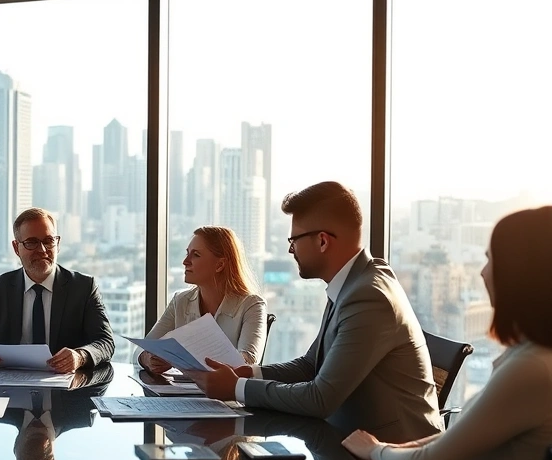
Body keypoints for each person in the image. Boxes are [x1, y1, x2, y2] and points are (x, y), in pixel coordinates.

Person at [343, 206, 552, 460]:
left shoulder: (532, 368)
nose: (483, 274)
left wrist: (376, 449)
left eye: (491, 260)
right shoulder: (531, 356)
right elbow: (465, 436)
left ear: (520, 274)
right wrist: (417, 449)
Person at [187, 181, 443, 443]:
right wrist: (248, 373)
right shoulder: (353, 282)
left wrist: (236, 388)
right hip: (356, 446)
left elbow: (320, 398)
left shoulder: (368, 296)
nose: (290, 249)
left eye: (294, 240)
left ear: (322, 241)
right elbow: (311, 365)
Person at [0, 207, 115, 373]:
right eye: (31, 242)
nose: (42, 250)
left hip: (67, 390)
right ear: (16, 248)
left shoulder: (83, 287)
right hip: (11, 387)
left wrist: (80, 356)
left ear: (57, 244)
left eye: (48, 241)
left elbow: (105, 341)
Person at [139, 225, 267, 371]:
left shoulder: (252, 305)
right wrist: (148, 359)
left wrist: (183, 359)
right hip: (180, 392)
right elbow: (142, 350)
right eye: (187, 253)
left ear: (220, 265)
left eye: (196, 255)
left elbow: (248, 361)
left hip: (225, 393)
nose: (185, 261)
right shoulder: (180, 301)